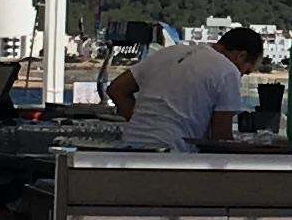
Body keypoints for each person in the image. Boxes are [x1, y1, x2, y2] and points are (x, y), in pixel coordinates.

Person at [110, 24, 267, 152]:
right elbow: (220, 139)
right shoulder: (228, 71)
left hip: (130, 145)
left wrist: (142, 123)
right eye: (246, 71)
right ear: (241, 56)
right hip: (172, 152)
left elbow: (116, 89)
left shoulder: (167, 53)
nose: (242, 76)